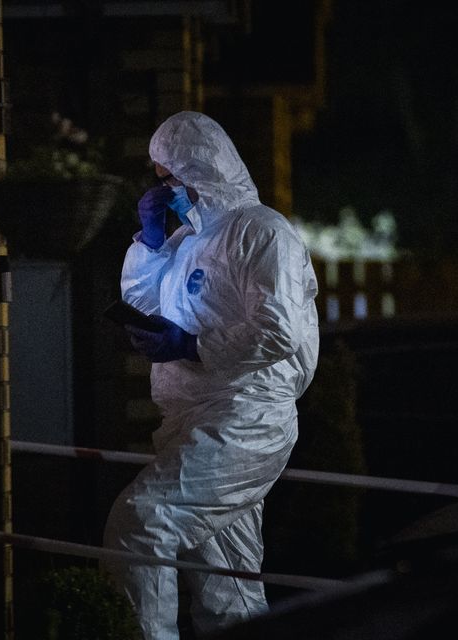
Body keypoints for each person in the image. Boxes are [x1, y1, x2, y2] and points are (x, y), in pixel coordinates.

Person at [102, 110, 320, 639]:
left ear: (202, 170)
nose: (167, 188)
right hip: (193, 417)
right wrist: (151, 240)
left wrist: (189, 345)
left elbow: (278, 332)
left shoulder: (262, 234)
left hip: (245, 418)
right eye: (159, 179)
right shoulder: (187, 242)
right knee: (230, 590)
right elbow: (142, 298)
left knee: (141, 524)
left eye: (171, 175)